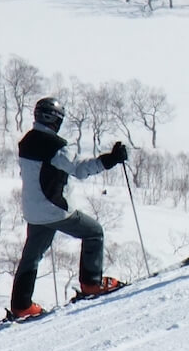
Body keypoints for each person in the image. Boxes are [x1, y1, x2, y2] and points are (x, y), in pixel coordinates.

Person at [8, 96, 129, 319]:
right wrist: (110, 160)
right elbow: (80, 170)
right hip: (54, 209)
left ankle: (21, 306)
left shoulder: (27, 141)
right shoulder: (55, 146)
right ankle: (91, 284)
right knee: (94, 233)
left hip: (33, 210)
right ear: (56, 120)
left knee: (31, 258)